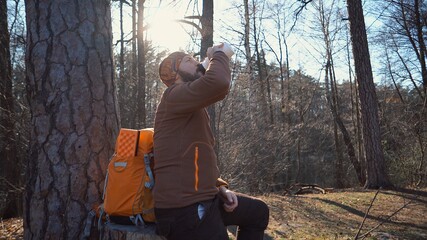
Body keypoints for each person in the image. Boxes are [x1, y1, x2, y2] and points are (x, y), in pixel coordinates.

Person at [153, 43, 269, 240]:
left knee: (257, 213)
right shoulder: (173, 96)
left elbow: (198, 156)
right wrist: (218, 54)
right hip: (184, 209)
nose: (197, 63)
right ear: (175, 73)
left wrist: (220, 188)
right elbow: (218, 83)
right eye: (189, 61)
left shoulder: (188, 104)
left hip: (204, 198)